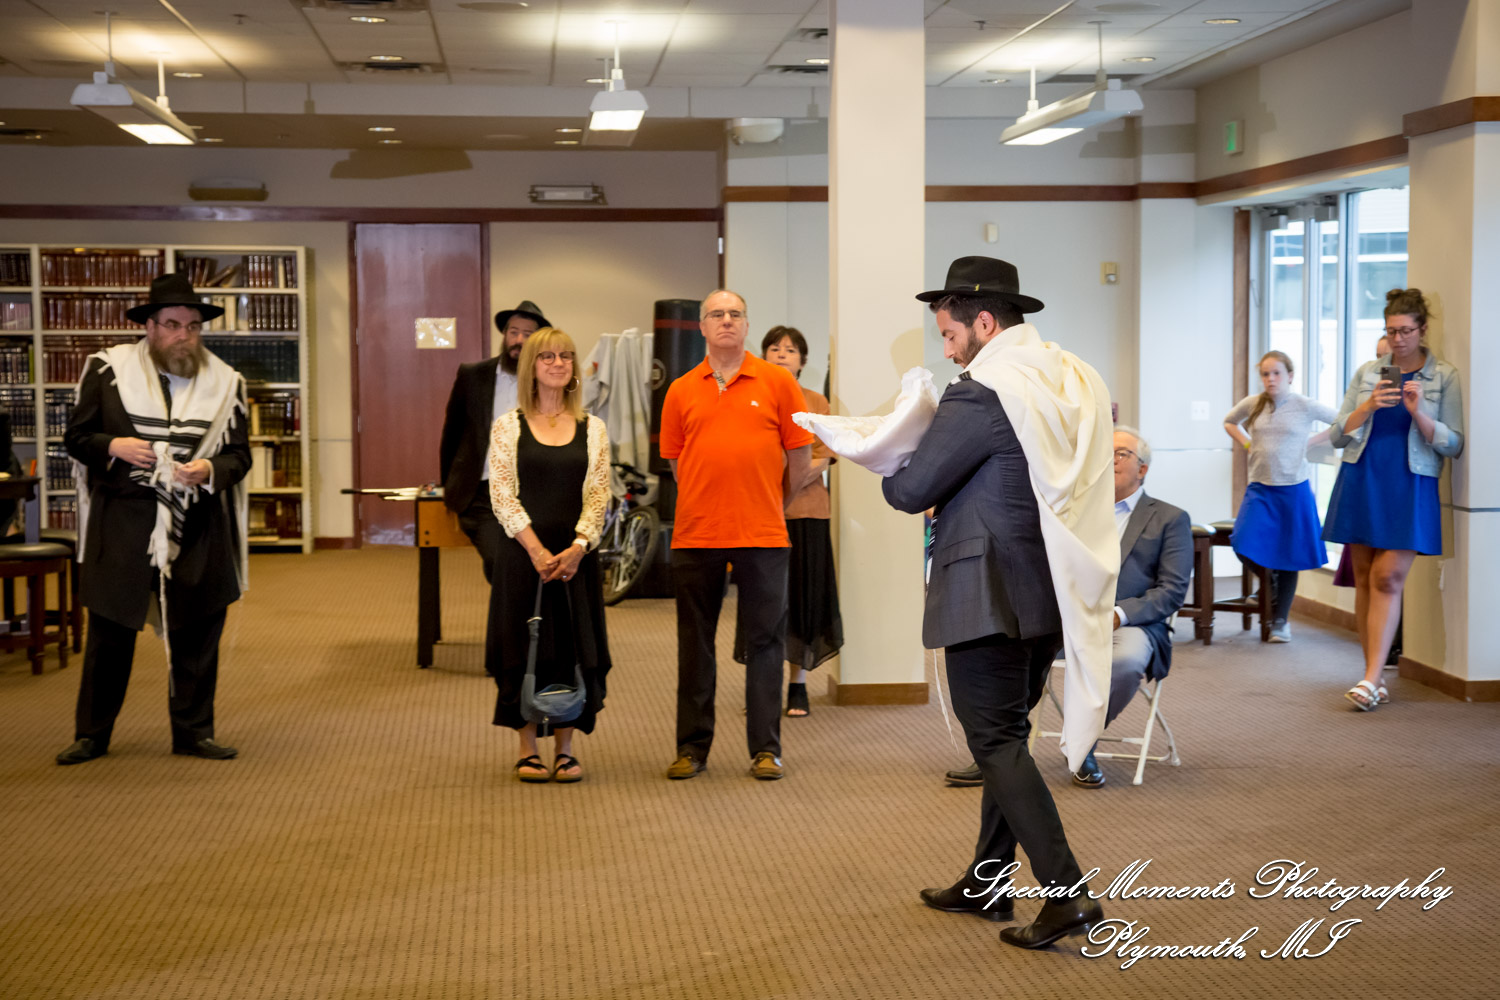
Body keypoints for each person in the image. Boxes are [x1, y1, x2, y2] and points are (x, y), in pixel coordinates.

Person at [883, 257, 1116, 950]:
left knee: (993, 742)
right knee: (1008, 738)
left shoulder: (981, 391)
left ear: (984, 322)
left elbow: (910, 487)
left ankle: (1067, 895)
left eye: (950, 333)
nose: (947, 347)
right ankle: (987, 882)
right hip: (1047, 587)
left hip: (985, 590)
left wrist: (888, 452)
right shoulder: (1065, 377)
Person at [56, 273, 251, 765]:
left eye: (191, 326)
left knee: (198, 629)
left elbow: (240, 455)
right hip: (122, 522)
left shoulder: (226, 382)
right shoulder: (107, 370)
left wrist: (210, 469)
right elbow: (77, 439)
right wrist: (112, 445)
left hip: (197, 524)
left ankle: (193, 732)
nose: (182, 335)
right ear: (149, 326)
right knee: (110, 634)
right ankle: (92, 734)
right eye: (171, 324)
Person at [659, 290, 813, 781]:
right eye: (716, 315)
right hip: (697, 534)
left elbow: (800, 460)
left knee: (766, 644)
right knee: (695, 643)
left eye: (735, 314)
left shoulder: (777, 382)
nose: (726, 321)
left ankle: (766, 750)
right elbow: (677, 464)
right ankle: (692, 748)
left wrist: (772, 504)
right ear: (702, 327)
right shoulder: (681, 389)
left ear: (747, 325)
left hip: (763, 534)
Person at [1324, 288, 1463, 711]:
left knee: (1388, 578)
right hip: (1363, 476)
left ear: (1422, 331)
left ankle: (1370, 678)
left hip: (1411, 482)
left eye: (1405, 330)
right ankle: (1373, 678)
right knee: (1365, 577)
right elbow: (1336, 435)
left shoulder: (1444, 377)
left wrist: (1420, 412)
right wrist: (1367, 406)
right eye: (1391, 330)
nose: (1398, 339)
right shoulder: (1369, 372)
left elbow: (1454, 444)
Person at [486, 328, 612, 782]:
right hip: (524, 556)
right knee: (522, 647)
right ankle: (525, 746)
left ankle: (564, 747)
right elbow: (502, 495)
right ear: (531, 367)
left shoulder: (593, 428)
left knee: (571, 647)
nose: (558, 363)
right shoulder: (507, 426)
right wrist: (538, 551)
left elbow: (599, 495)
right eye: (547, 357)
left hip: (575, 557)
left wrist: (578, 548)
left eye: (566, 356)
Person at [1071, 427, 1192, 788]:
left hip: (1131, 625)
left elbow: (1171, 592)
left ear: (1143, 469)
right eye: (1103, 453)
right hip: (1068, 619)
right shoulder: (1073, 511)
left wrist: (1118, 615)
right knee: (1009, 651)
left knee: (1124, 662)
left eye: (1120, 454)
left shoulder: (1170, 519)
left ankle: (1082, 741)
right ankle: (998, 753)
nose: (1109, 460)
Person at [732, 325, 843, 717]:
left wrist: (782, 487)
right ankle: (760, 687)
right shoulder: (747, 398)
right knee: (760, 601)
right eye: (774, 348)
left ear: (803, 360)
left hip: (807, 513)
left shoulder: (816, 401)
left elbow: (823, 456)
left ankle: (797, 685)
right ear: (762, 355)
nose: (782, 354)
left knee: (801, 601)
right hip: (757, 515)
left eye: (791, 349)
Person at [1221, 351, 1339, 642]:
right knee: (1242, 542)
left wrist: (1311, 442)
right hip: (1261, 488)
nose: (1270, 379)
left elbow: (1341, 422)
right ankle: (1270, 587)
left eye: (1276, 373)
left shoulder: (1304, 405)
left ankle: (1280, 622)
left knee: (1289, 555)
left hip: (1293, 489)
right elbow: (1229, 421)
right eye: (1265, 374)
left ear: (1290, 375)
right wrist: (1248, 444)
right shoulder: (1254, 404)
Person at [439, 299, 549, 584]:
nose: (519, 340)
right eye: (513, 332)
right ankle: (511, 622)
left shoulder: (548, 379)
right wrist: (448, 485)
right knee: (498, 559)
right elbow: (452, 433)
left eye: (527, 334)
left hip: (532, 490)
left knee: (533, 558)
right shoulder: (473, 375)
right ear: (505, 335)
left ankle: (521, 623)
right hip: (482, 492)